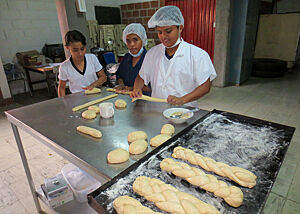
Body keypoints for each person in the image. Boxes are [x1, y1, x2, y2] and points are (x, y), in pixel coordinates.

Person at [130, 6, 216, 107]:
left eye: (168, 31)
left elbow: (205, 86)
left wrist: (182, 100)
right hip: (157, 109)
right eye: (159, 32)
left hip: (185, 110)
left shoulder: (197, 55)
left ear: (180, 28)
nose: (163, 36)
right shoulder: (152, 53)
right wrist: (137, 88)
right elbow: (141, 77)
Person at [58, 30, 107, 97]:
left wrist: (93, 85)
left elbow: (103, 77)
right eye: (75, 50)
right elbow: (61, 88)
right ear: (67, 48)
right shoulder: (64, 67)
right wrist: (63, 103)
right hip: (77, 98)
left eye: (82, 49)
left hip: (95, 95)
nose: (80, 53)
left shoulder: (92, 58)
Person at [114, 23, 151, 95]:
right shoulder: (127, 58)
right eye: (128, 41)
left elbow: (154, 86)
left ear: (143, 40)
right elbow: (120, 76)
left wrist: (133, 88)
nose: (132, 44)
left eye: (135, 40)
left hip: (145, 100)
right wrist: (121, 85)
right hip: (127, 97)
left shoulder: (150, 58)